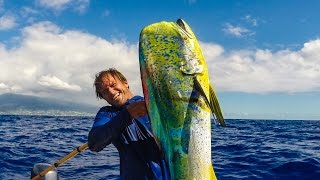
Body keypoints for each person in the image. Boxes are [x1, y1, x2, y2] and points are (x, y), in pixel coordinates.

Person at [88, 68, 169, 180]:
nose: (111, 92)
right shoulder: (107, 114)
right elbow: (94, 143)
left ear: (125, 83)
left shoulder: (152, 104)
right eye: (105, 92)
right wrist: (128, 114)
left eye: (113, 85)